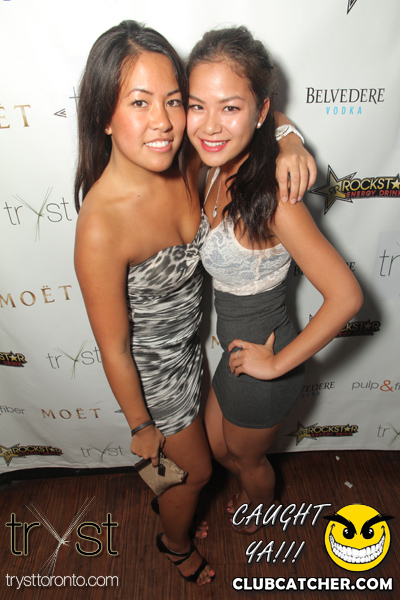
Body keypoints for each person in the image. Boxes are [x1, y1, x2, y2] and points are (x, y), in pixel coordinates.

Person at [74, 20, 315, 583]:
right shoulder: (101, 226)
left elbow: (252, 115)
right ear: (104, 115)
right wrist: (141, 425)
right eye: (139, 102)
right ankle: (173, 543)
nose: (163, 121)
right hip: (154, 377)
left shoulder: (185, 159)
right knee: (196, 474)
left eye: (174, 101)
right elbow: (114, 348)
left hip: (196, 352)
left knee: (195, 466)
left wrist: (290, 139)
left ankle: (171, 505)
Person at [185, 26, 363, 534]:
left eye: (230, 107)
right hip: (233, 350)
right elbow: (269, 118)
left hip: (266, 361)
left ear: (258, 110)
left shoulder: (277, 198)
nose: (210, 124)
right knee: (219, 450)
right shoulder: (213, 163)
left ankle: (260, 517)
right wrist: (289, 136)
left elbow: (346, 296)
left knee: (247, 461)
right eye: (198, 106)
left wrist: (279, 364)